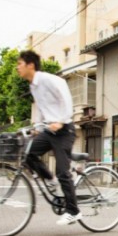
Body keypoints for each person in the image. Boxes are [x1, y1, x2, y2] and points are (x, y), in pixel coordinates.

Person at [16, 50, 81, 226]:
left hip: (64, 130)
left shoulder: (48, 79)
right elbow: (39, 107)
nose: (17, 68)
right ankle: (50, 181)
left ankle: (73, 211)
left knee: (62, 171)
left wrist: (61, 120)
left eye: (20, 64)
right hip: (49, 130)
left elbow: (66, 98)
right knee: (27, 153)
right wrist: (35, 126)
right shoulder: (33, 86)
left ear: (30, 65)